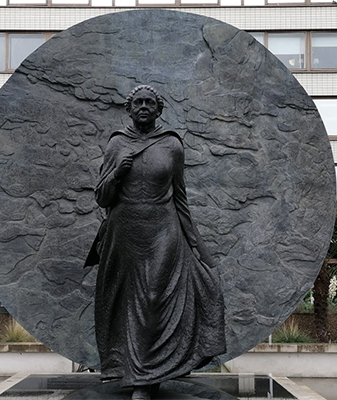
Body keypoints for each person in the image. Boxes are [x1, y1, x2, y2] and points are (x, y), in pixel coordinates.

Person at [86, 85, 226, 400]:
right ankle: (139, 378)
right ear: (129, 108)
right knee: (127, 306)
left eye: (150, 102)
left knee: (153, 301)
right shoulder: (117, 144)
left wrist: (198, 247)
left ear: (159, 109)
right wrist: (116, 174)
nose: (144, 106)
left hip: (165, 232)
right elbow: (102, 197)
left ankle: (149, 378)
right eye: (139, 102)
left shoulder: (172, 145)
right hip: (125, 236)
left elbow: (181, 199)